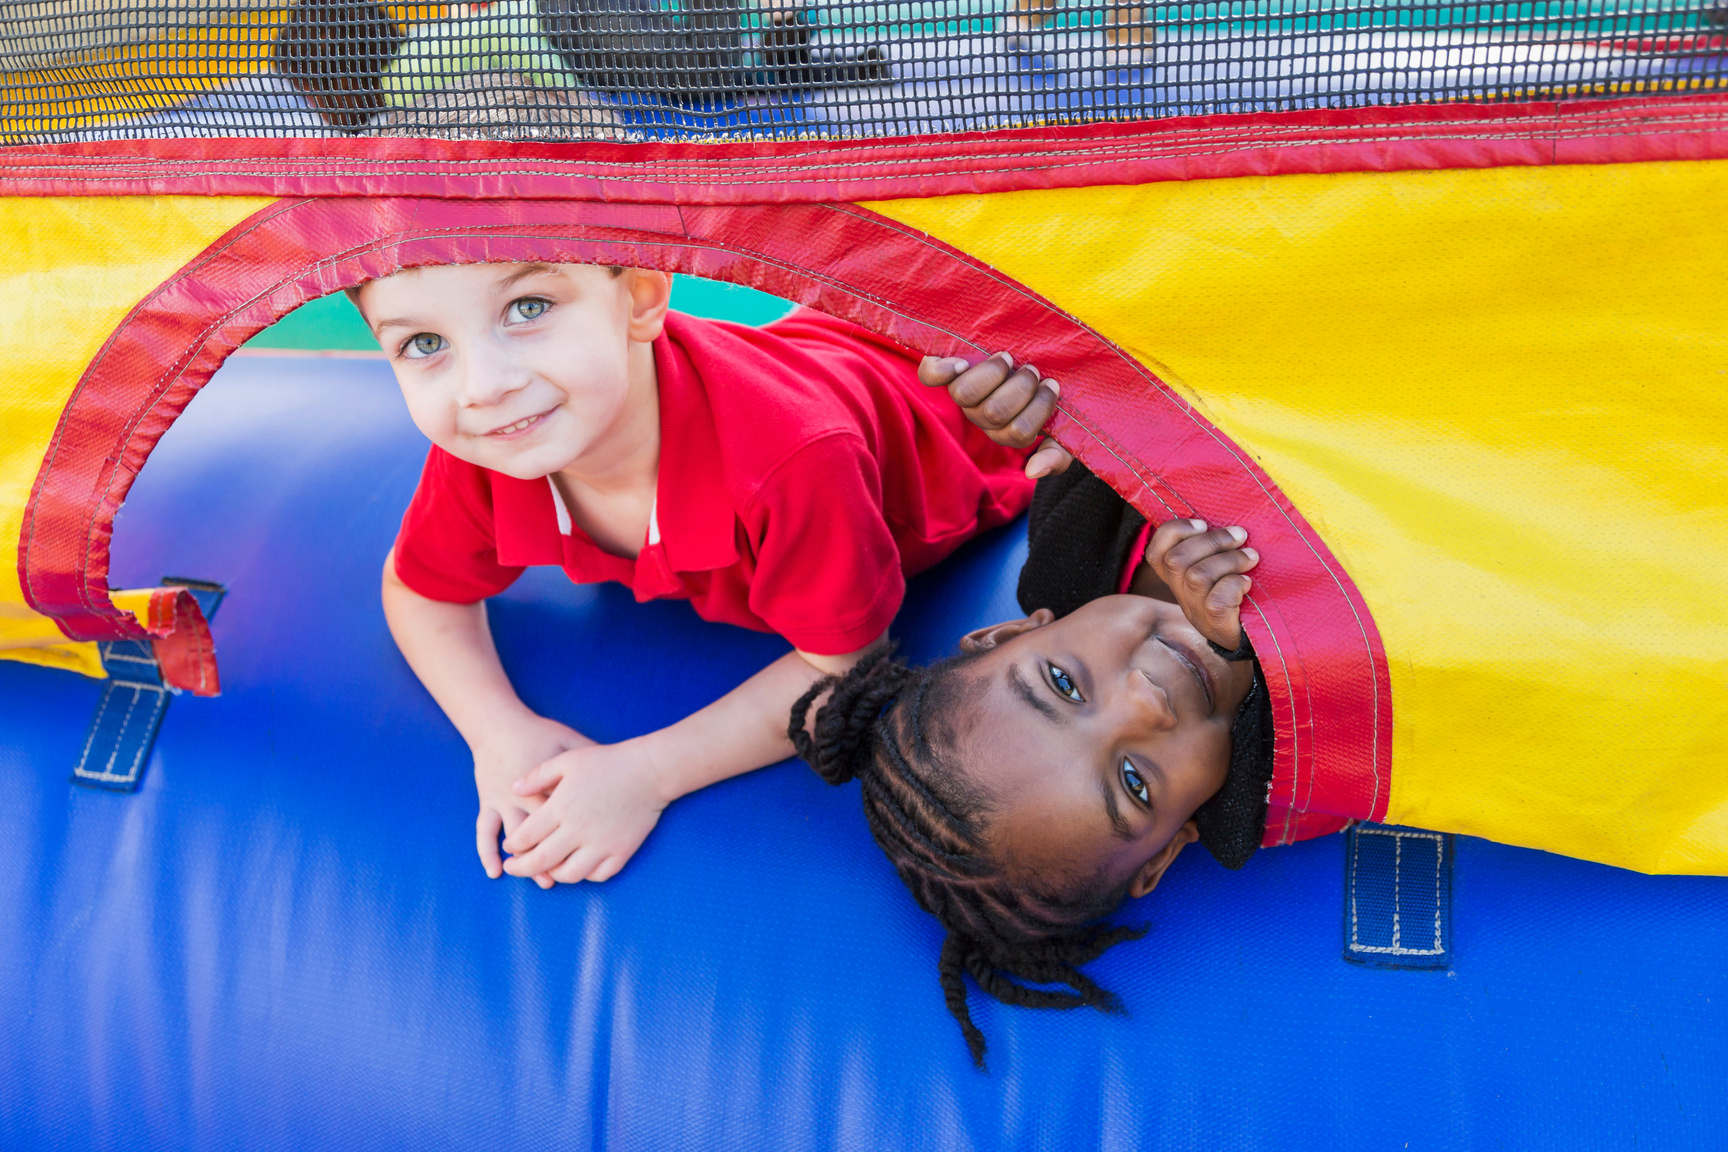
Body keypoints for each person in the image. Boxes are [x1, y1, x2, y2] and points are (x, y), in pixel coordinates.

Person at [351, 260, 1037, 888]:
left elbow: (847, 669)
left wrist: (645, 775)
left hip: (956, 387)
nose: (483, 386)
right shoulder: (491, 445)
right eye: (424, 344)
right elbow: (416, 587)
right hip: (814, 348)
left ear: (641, 298)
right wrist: (498, 734)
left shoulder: (795, 463)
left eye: (529, 306)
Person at [790, 353, 1273, 1068]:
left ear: (1011, 632)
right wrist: (1256, 643)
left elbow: (1127, 359)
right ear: (1168, 850)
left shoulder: (1070, 541)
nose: (1144, 703)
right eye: (1134, 783)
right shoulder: (1285, 774)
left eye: (1066, 685)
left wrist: (1054, 394)